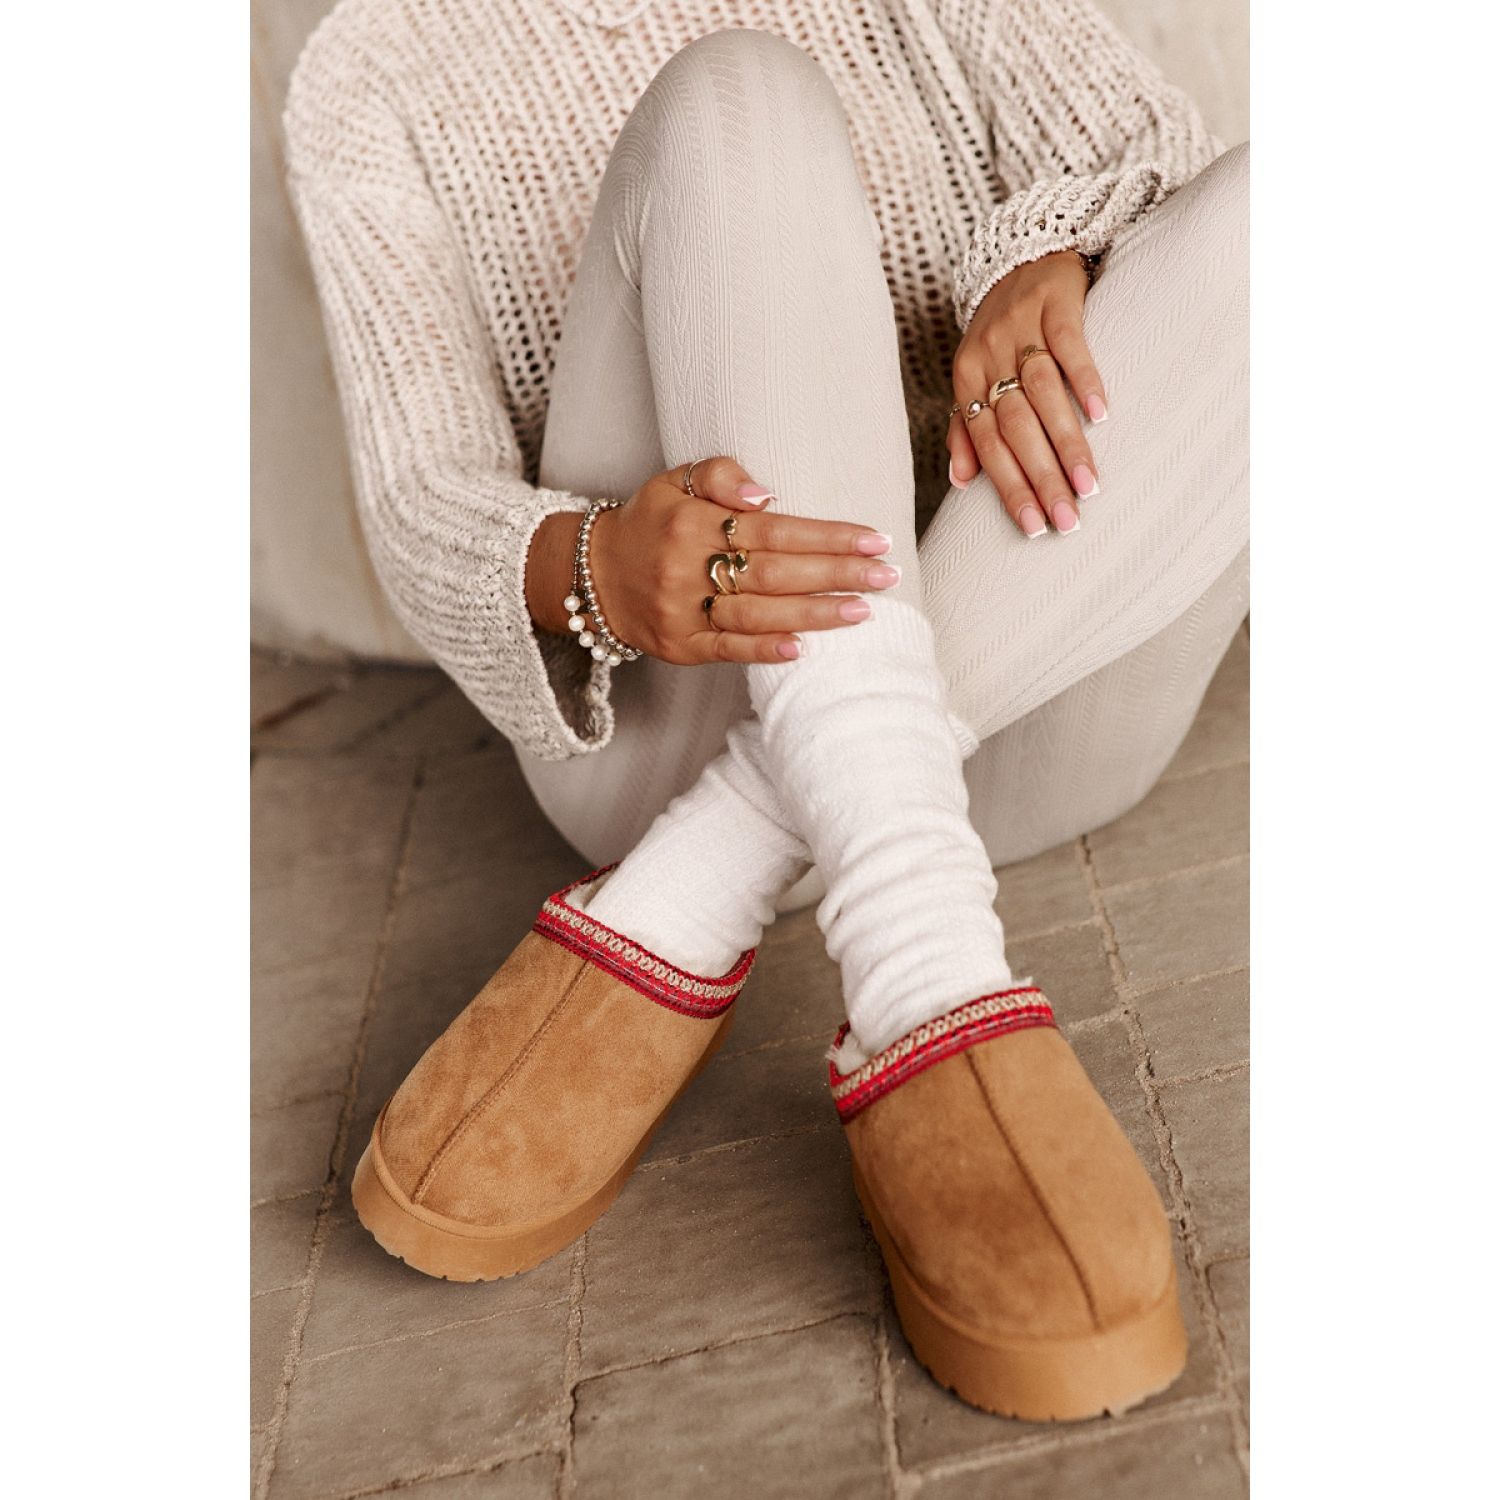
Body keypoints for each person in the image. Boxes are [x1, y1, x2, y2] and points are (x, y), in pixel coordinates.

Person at [285, 0, 1247, 1421]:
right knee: (734, 99)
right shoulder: (368, 72)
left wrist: (1048, 259)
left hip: (1055, 680)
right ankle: (925, 966)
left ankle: (708, 871)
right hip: (663, 722)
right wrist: (593, 565)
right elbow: (420, 494)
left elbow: (1142, 146)